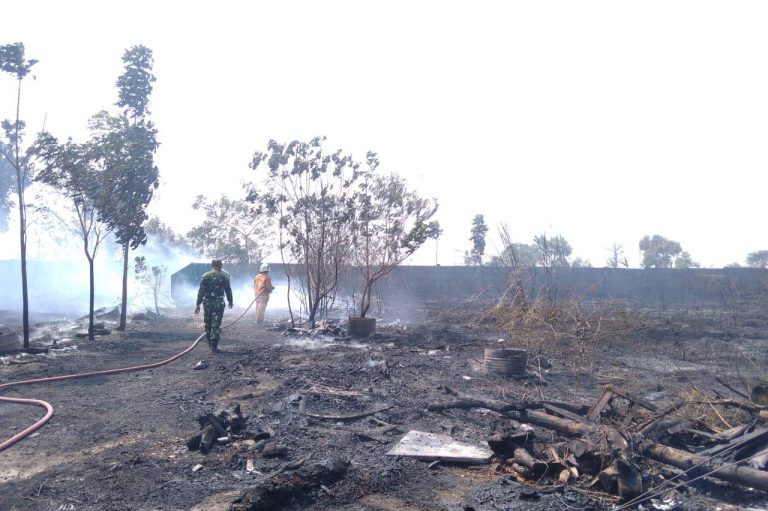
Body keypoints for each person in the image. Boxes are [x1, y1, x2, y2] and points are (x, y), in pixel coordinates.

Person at [195, 259, 233, 353]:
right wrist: (230, 301)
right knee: (215, 324)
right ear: (220, 266)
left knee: (208, 324)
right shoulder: (224, 277)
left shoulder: (206, 276)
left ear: (212, 266)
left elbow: (201, 291)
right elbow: (228, 290)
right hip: (218, 303)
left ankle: (210, 344)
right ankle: (214, 347)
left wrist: (198, 304)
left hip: (207, 303)